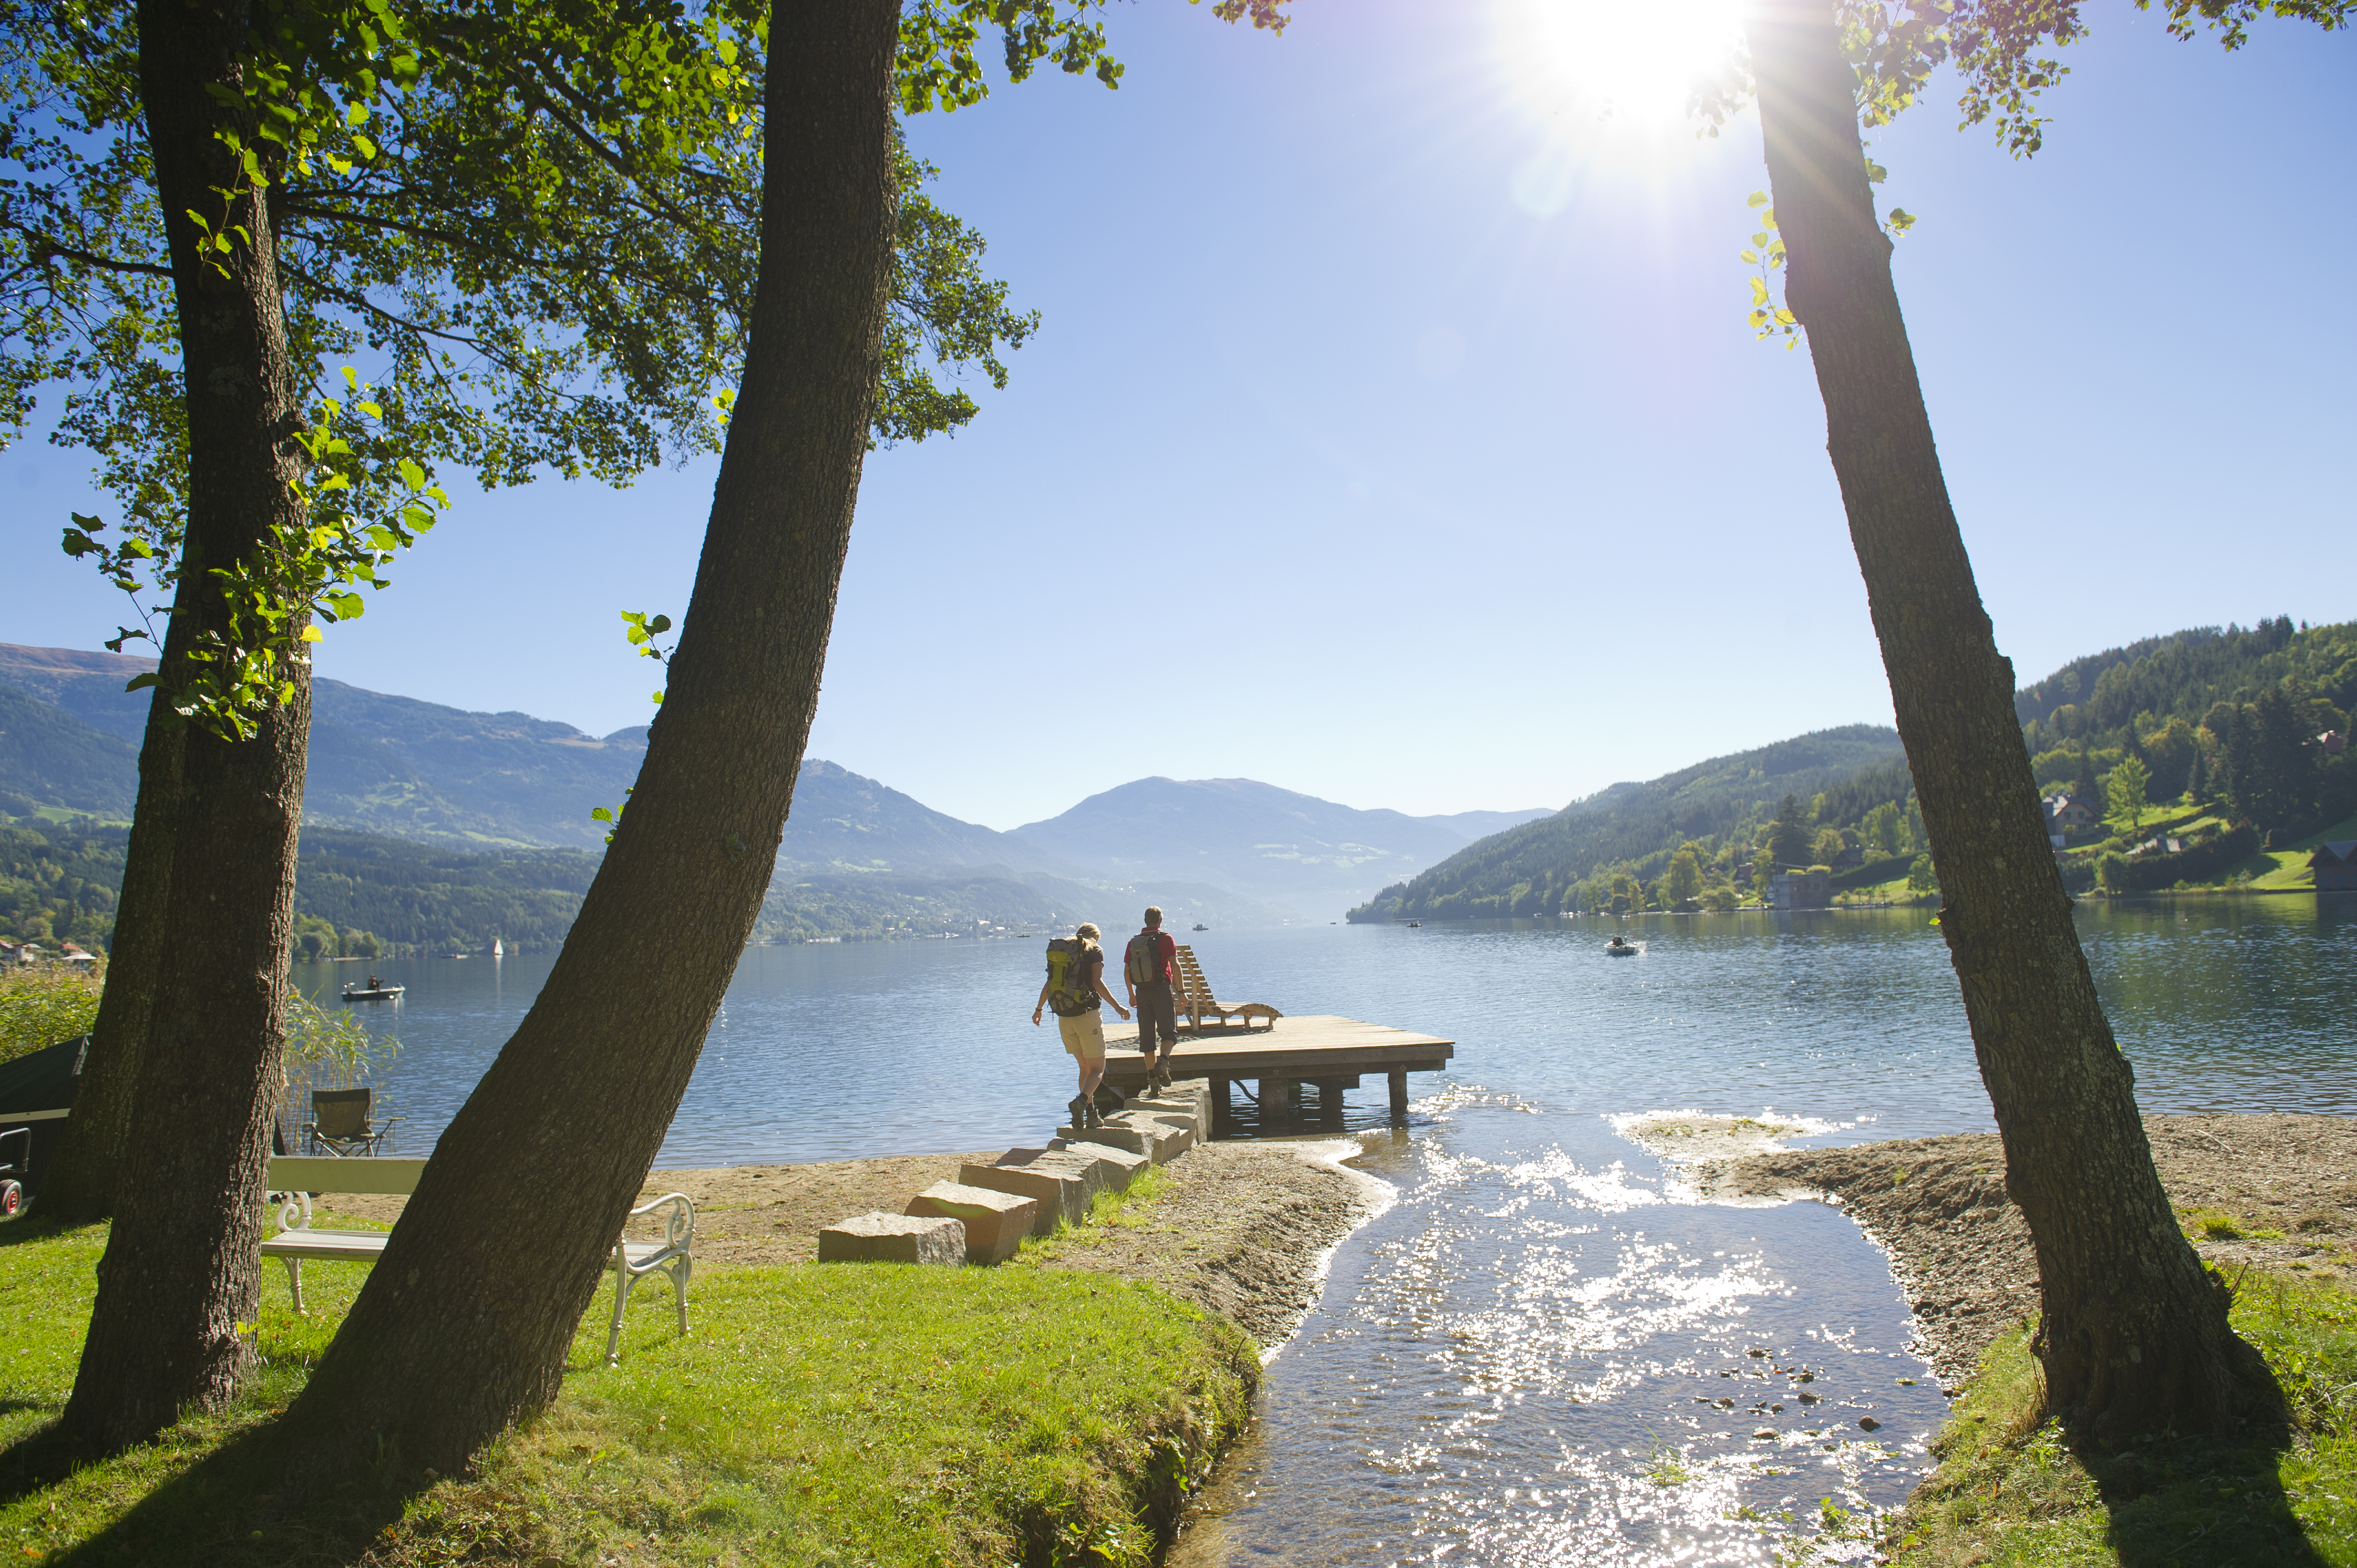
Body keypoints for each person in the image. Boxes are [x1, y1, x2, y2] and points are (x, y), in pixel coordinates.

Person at [1032, 922, 1129, 1129]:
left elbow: (1050, 984)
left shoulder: (1065, 953)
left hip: (1064, 1017)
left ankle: (1090, 1116)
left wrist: (1039, 1009)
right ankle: (1081, 1101)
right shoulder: (1094, 950)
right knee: (1097, 1069)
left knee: (1084, 1068)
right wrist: (1118, 1007)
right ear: (1095, 937)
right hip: (1086, 1015)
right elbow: (1097, 982)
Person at [1124, 906, 1182, 1091]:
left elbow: (1127, 971)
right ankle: (1163, 1063)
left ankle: (1153, 1081)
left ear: (1145, 921)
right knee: (1169, 1034)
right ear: (1160, 921)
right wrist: (1181, 992)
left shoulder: (1134, 942)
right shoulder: (1166, 939)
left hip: (1141, 992)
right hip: (1161, 991)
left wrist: (1132, 995)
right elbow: (1174, 965)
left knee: (1147, 1040)